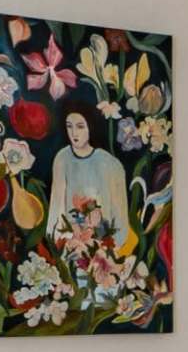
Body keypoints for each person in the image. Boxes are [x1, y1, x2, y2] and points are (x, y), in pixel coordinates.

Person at [47, 103, 134, 250]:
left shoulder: (110, 164)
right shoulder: (62, 159)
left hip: (105, 246)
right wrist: (61, 242)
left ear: (90, 127)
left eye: (80, 126)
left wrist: (107, 248)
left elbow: (120, 219)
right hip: (70, 243)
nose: (74, 133)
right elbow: (56, 209)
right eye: (69, 126)